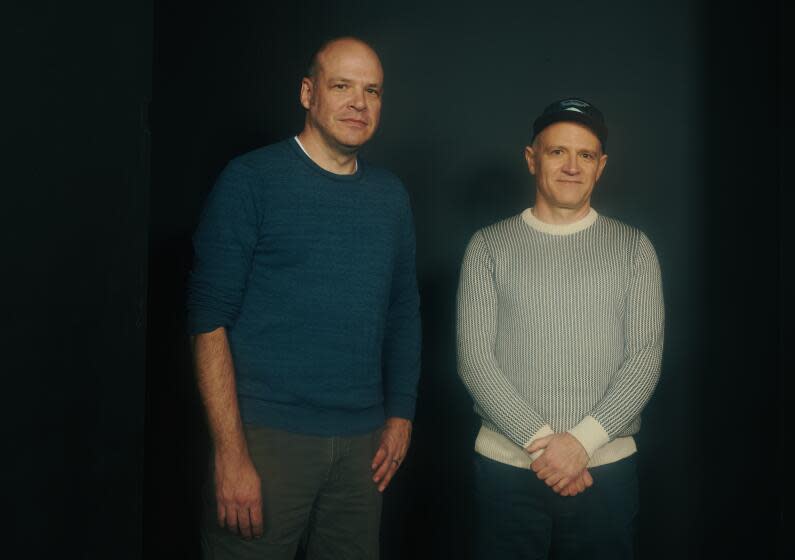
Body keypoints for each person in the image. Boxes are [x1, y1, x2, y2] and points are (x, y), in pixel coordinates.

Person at [187, 37, 421, 560]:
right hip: (267, 440)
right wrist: (230, 454)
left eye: (372, 91)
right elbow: (208, 322)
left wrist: (400, 414)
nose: (359, 103)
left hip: (363, 448)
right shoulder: (251, 180)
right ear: (308, 92)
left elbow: (403, 313)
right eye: (342, 86)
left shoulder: (390, 197)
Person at [457, 98, 664, 559]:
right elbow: (475, 361)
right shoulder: (488, 247)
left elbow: (645, 358)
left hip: (604, 470)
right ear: (531, 159)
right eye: (557, 153)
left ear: (601, 165)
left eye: (585, 155)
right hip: (506, 471)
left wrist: (582, 444)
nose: (572, 166)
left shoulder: (634, 249)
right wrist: (548, 448)